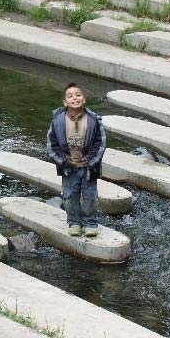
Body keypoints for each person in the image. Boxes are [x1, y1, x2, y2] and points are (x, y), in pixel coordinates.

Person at [46, 83, 106, 237]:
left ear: (84, 99)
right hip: (68, 168)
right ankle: (74, 222)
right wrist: (65, 160)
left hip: (89, 167)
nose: (75, 98)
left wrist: (90, 160)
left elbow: (101, 143)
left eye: (78, 94)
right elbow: (51, 146)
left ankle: (90, 223)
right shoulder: (57, 120)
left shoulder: (94, 119)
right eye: (70, 96)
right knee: (70, 196)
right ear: (65, 102)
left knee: (90, 196)